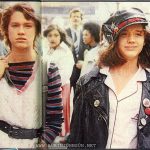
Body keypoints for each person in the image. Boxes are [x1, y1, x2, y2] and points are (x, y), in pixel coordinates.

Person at [69, 7, 150, 149]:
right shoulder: (88, 83)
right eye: (124, 34)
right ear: (114, 39)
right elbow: (76, 138)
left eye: (138, 34)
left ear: (144, 39)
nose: (131, 40)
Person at [0, 3, 63, 148]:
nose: (21, 31)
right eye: (15, 25)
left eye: (28, 26)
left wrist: (43, 142)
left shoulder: (48, 69)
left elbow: (54, 119)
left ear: (36, 30)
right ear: (6, 30)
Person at [43, 24, 74, 143]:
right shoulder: (48, 50)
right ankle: (50, 131)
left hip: (60, 84)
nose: (52, 38)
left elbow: (66, 73)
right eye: (50, 35)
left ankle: (61, 133)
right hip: (47, 85)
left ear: (61, 37)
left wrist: (53, 82)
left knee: (60, 108)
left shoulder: (65, 51)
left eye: (56, 35)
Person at [66, 8, 87, 93]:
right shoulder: (64, 33)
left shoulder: (85, 33)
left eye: (78, 17)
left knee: (80, 98)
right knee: (65, 98)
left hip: (82, 70)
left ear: (81, 19)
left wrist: (85, 64)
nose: (75, 18)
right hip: (68, 71)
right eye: (73, 16)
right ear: (70, 19)